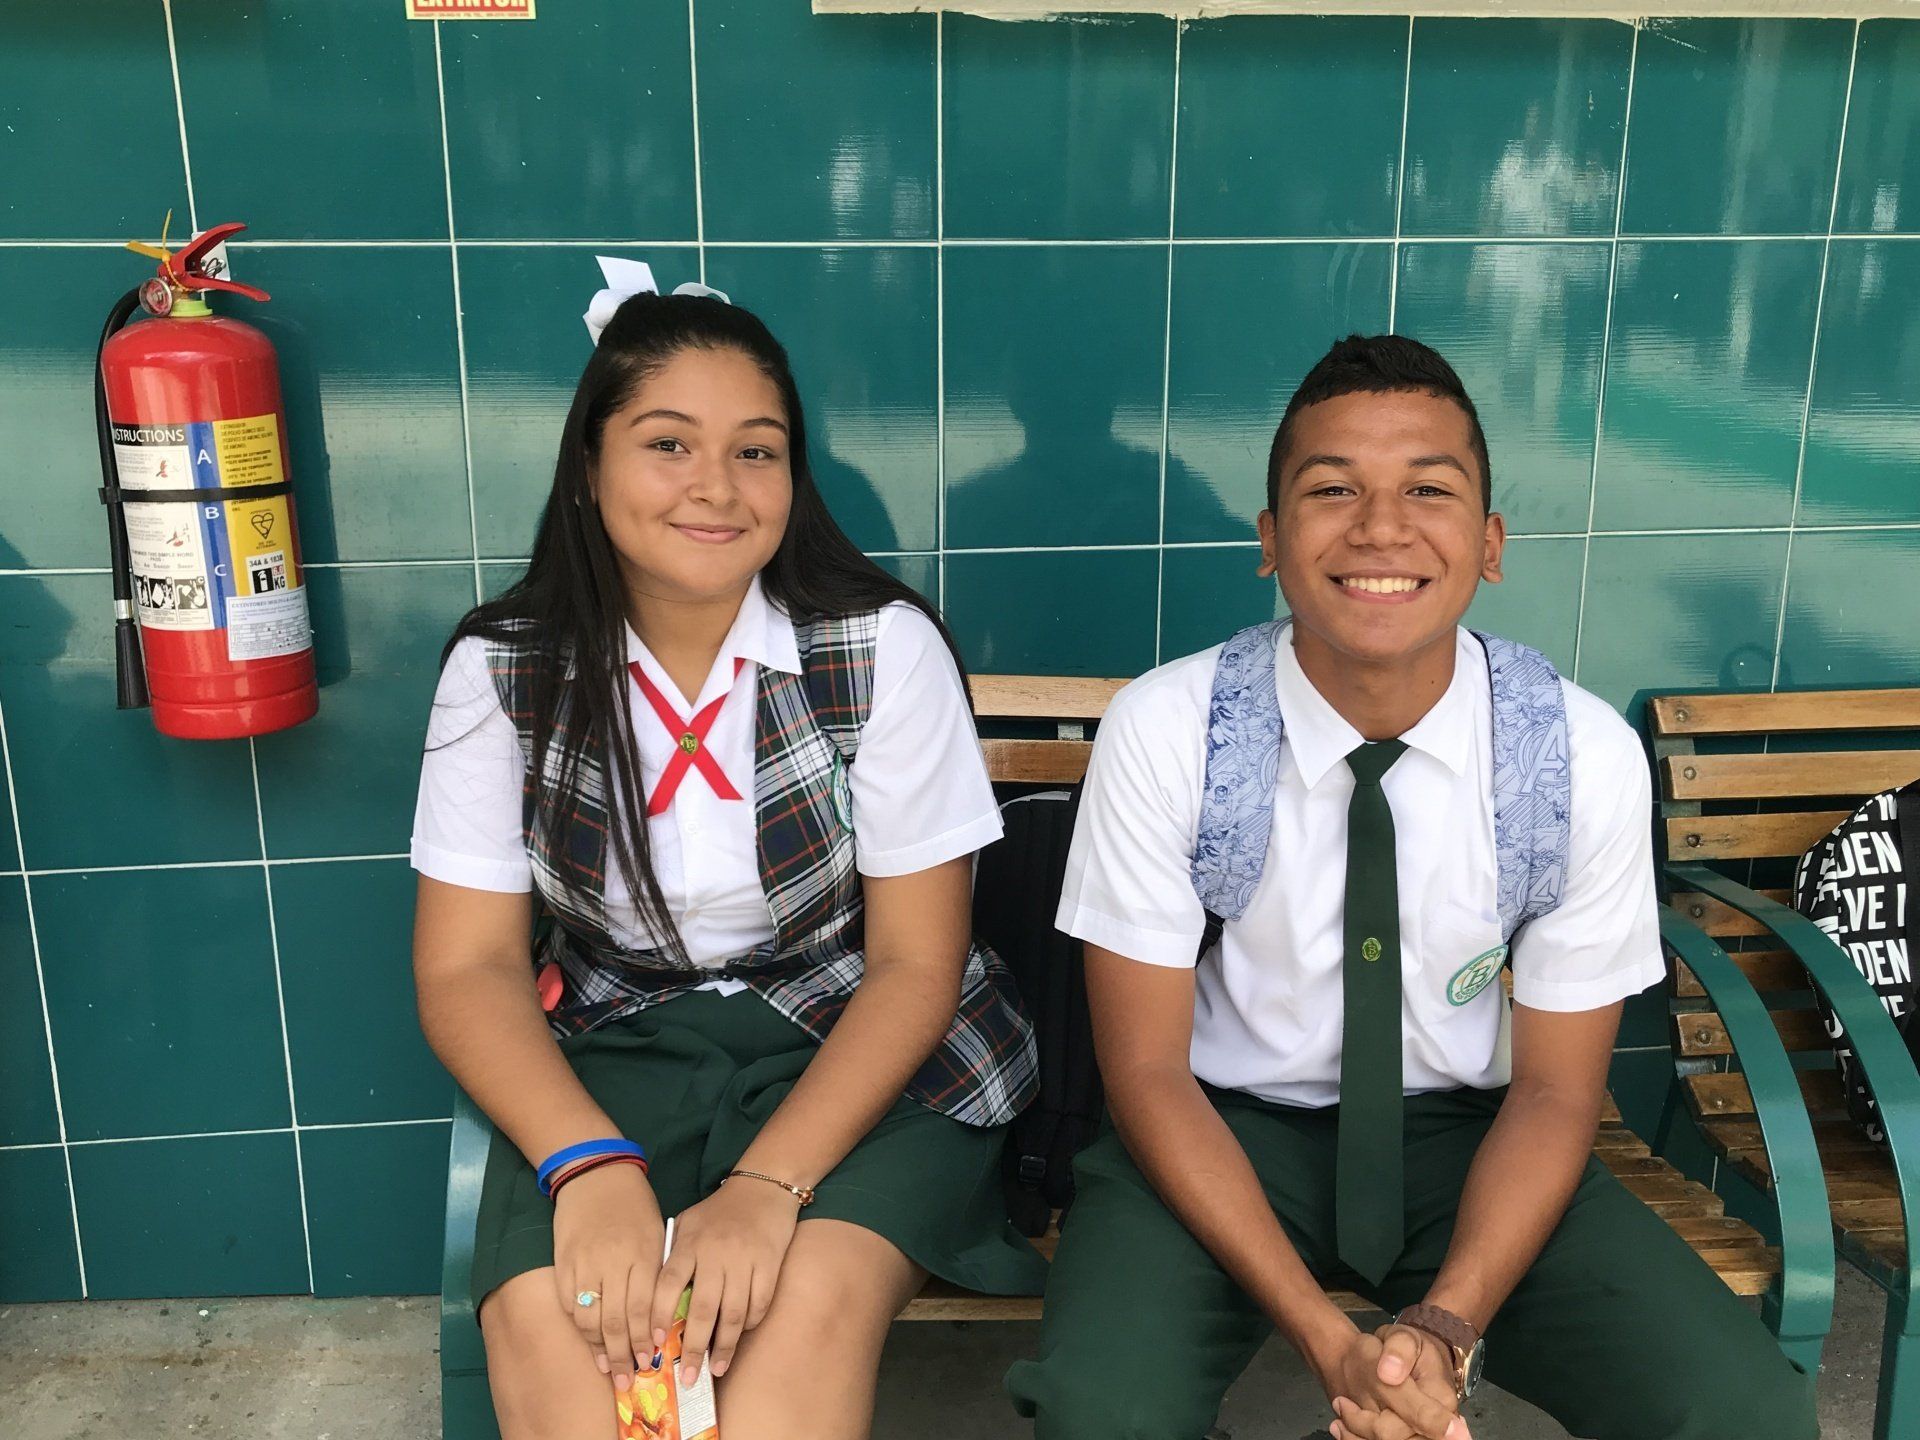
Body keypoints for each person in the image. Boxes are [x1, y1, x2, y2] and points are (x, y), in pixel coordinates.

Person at [1004, 335, 1818, 1440]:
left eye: (1427, 490)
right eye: (1331, 490)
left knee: (1742, 1413)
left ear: (1489, 543)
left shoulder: (1576, 753)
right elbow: (1144, 1072)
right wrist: (1330, 1344)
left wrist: (1444, 1325)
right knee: (1102, 1414)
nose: (1380, 529)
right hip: (1221, 1131)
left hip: (1478, 1141)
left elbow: (1556, 1095)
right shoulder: (1173, 727)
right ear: (1270, 543)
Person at [411, 270, 1045, 1440]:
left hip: (868, 1058)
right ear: (588, 469)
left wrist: (765, 1192)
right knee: (561, 1342)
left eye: (756, 452)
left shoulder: (877, 652)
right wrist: (587, 1167)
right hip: (608, 1055)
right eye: (667, 443)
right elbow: (467, 970)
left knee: (793, 1333)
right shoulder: (504, 671)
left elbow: (915, 966)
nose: (716, 486)